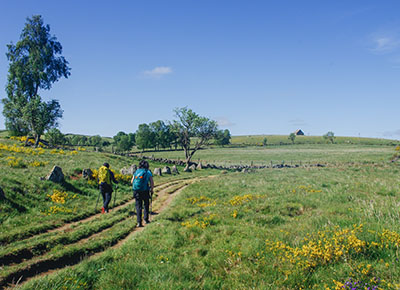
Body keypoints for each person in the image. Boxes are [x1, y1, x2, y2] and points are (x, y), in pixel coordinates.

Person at [131, 160, 154, 227]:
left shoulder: (136, 172)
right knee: (146, 204)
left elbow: (132, 181)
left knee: (138, 206)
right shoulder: (148, 172)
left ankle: (139, 222)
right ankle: (146, 219)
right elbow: (152, 182)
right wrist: (151, 190)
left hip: (136, 191)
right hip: (145, 191)